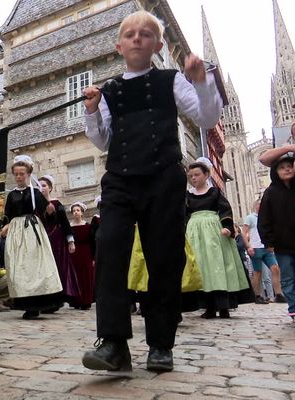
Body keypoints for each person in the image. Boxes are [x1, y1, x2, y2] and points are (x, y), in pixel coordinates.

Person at [81, 10, 223, 372]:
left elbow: (206, 119)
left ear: (158, 45)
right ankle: (113, 343)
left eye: (146, 34)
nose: (137, 38)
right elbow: (101, 141)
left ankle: (161, 344)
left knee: (164, 258)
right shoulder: (110, 89)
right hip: (120, 181)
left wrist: (202, 82)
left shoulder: (171, 80)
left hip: (162, 179)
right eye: (130, 34)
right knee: (110, 249)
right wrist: (92, 110)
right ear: (119, 45)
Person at [185, 162, 253, 319]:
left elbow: (225, 209)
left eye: (197, 175)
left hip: (214, 232)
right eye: (191, 176)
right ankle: (208, 306)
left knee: (219, 266)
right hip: (195, 233)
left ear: (206, 175)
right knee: (202, 267)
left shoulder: (214, 192)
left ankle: (224, 306)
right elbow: (185, 214)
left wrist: (227, 226)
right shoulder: (188, 196)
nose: (194, 178)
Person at [1, 155, 63, 320]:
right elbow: (7, 215)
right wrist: (6, 225)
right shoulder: (11, 195)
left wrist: (50, 212)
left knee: (35, 267)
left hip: (32, 231)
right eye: (17, 174)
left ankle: (40, 304)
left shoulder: (35, 193)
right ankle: (25, 304)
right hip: (16, 233)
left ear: (28, 175)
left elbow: (48, 215)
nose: (19, 177)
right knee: (21, 268)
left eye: (22, 174)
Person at [258, 156, 295, 321]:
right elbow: (264, 219)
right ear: (275, 172)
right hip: (282, 244)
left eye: (290, 166)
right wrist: (268, 241)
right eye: (282, 168)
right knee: (287, 277)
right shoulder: (271, 192)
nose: (287, 169)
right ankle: (294, 308)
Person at [38, 175, 79, 306]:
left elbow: (65, 223)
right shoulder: (35, 205)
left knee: (58, 267)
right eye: (39, 186)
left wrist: (70, 241)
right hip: (41, 239)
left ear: (50, 188)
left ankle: (58, 298)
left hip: (56, 240)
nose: (41, 188)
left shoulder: (57, 204)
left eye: (44, 185)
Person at [243, 200, 286, 304]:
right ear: (256, 206)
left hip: (267, 248)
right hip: (256, 248)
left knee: (275, 269)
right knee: (257, 273)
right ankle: (257, 296)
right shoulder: (250, 217)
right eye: (260, 205)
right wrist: (248, 246)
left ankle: (278, 294)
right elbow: (244, 233)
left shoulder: (268, 218)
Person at [69, 202, 95, 310]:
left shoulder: (88, 226)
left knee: (86, 277)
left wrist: (93, 257)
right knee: (76, 277)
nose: (76, 212)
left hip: (86, 253)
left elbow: (93, 242)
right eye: (74, 211)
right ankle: (77, 300)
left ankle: (86, 301)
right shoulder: (69, 227)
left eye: (78, 210)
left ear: (82, 213)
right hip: (74, 254)